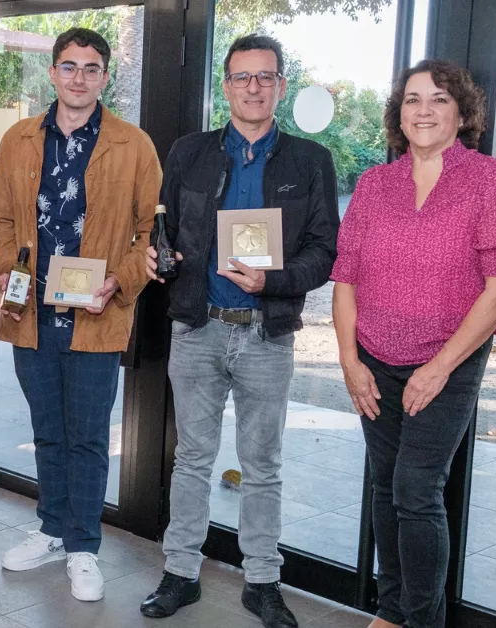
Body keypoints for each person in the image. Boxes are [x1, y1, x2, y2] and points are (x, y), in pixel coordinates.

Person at [138, 34, 338, 628]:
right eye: (242, 77)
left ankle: (262, 581)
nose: (254, 87)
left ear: (280, 84)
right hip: (198, 328)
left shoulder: (310, 161)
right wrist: (158, 258)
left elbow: (325, 251)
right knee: (193, 458)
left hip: (266, 332)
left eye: (265, 77)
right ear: (226, 86)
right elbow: (164, 226)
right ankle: (180, 572)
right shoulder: (188, 152)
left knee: (263, 463)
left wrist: (273, 280)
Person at [331, 60, 496, 628]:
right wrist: (349, 360)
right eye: (413, 99)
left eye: (439, 99)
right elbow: (345, 278)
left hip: (450, 359)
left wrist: (440, 366)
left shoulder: (491, 182)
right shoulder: (375, 185)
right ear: (399, 114)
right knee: (385, 481)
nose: (424, 110)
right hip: (373, 356)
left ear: (463, 113)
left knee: (417, 491)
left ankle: (423, 620)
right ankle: (392, 612)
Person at [0, 28, 161, 602]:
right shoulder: (18, 140)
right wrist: (6, 275)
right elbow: (1, 222)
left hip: (96, 316)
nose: (78, 77)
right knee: (46, 433)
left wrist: (119, 281)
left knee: (86, 437)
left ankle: (84, 546)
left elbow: (149, 235)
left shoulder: (133, 145)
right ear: (53, 73)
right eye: (68, 66)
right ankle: (52, 531)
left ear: (105, 77)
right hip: (30, 314)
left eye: (91, 68)